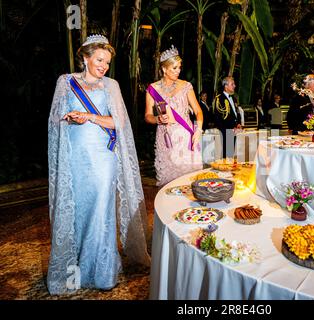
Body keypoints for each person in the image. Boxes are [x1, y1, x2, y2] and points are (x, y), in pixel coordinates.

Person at [47, 34, 150, 295]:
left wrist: (90, 116)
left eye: (107, 62)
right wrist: (72, 119)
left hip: (104, 159)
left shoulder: (111, 86)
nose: (103, 66)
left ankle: (103, 272)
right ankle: (78, 267)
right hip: (77, 159)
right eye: (100, 60)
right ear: (85, 57)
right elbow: (56, 122)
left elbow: (119, 123)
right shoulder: (66, 82)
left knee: (101, 210)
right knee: (80, 211)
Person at [145, 45, 203, 187]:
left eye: (179, 67)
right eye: (174, 68)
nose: (178, 71)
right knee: (168, 184)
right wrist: (157, 119)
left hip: (186, 137)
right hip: (166, 139)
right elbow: (147, 115)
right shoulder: (153, 89)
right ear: (164, 69)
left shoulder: (186, 86)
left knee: (190, 182)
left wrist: (199, 129)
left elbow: (198, 111)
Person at [213, 76, 242, 158]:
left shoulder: (234, 98)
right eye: (232, 84)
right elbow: (218, 118)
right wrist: (227, 131)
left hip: (234, 130)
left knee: (230, 154)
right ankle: (225, 170)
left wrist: (238, 124)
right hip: (227, 131)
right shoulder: (219, 99)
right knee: (227, 155)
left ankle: (227, 169)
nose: (234, 86)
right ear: (226, 86)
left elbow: (237, 113)